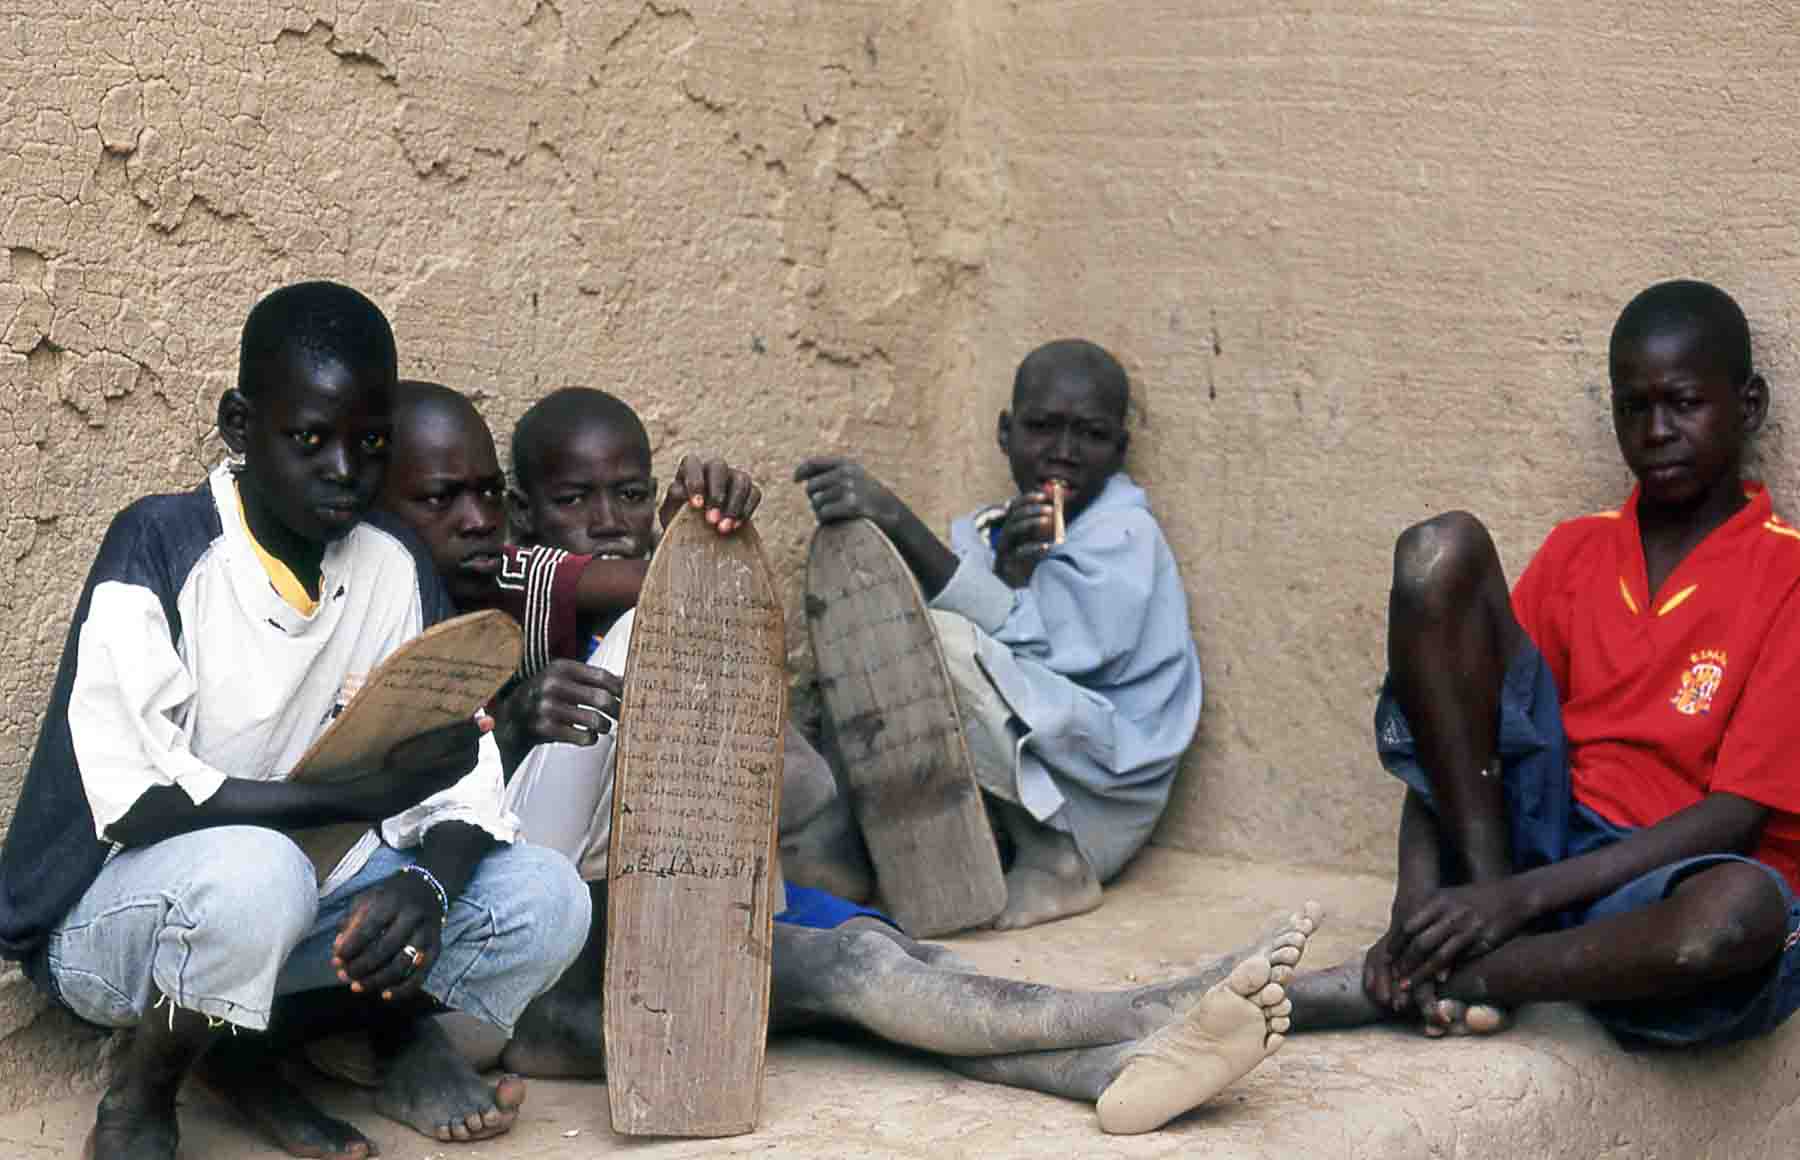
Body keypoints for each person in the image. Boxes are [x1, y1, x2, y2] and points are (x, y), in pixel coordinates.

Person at [379, 382, 1316, 1134]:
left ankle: (1114, 1065)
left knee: (867, 966)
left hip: (646, 919)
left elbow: (789, 785)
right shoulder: (511, 587)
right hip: (541, 979)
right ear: (532, 512)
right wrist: (684, 564)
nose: (607, 522)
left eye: (629, 496)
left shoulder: (545, 598)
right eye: (573, 502)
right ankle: (1149, 1011)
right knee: (846, 979)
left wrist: (690, 561)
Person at [0, 282, 589, 1160]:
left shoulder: (392, 567)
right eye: (308, 440)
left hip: (293, 904)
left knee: (544, 900)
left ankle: (243, 1051)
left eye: (370, 442)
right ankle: (141, 1097)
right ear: (240, 427)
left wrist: (425, 887)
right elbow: (139, 801)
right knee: (259, 874)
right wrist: (348, 794)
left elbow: (462, 788)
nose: (346, 471)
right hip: (117, 928)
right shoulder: (160, 547)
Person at [1288, 280, 1800, 1048]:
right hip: (1535, 840)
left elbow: (1736, 816)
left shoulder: (1786, 573)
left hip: (1661, 882)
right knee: (1439, 552)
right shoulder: (1578, 552)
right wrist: (1417, 904)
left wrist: (1515, 904)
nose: (1656, 430)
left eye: (1684, 403)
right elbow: (1460, 722)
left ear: (1749, 406)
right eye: (1634, 406)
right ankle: (1455, 954)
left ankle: (1466, 976)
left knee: (1738, 917)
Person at [796, 339, 1204, 930]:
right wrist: (1010, 571)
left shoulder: (1125, 535)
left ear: (1120, 449)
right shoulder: (989, 529)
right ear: (1006, 433)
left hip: (1095, 809)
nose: (1063, 453)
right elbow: (1012, 642)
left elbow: (1042, 653)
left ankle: (1052, 861)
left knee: (931, 644)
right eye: (1043, 428)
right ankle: (863, 850)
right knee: (884, 647)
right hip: (1046, 768)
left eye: (1089, 435)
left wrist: (894, 517)